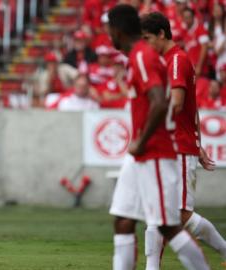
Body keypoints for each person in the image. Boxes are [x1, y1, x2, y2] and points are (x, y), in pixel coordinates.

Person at [107, 5, 210, 270]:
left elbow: (161, 103)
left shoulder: (144, 57)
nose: (108, 37)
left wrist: (141, 141)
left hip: (154, 150)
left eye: (109, 30)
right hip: (141, 153)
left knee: (168, 225)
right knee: (123, 219)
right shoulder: (140, 57)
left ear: (118, 30)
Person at [141, 12, 226, 269]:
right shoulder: (165, 60)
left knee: (180, 214)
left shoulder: (177, 59)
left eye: (147, 38)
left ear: (161, 34)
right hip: (170, 146)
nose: (145, 45)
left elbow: (178, 104)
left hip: (178, 147)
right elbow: (193, 107)